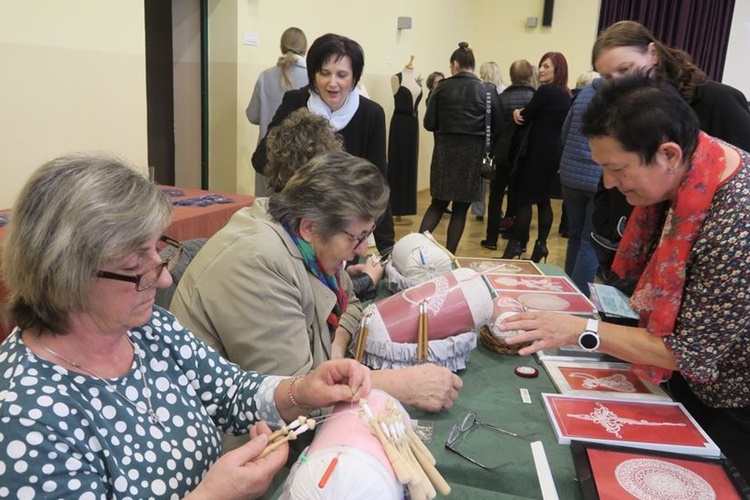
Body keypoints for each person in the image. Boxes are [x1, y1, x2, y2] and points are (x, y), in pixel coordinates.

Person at [0, 153, 372, 497]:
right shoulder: (23, 414)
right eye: (135, 268)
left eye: (156, 250)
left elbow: (231, 392)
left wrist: (302, 390)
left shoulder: (148, 329)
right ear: (65, 276)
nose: (163, 281)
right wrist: (213, 495)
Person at [502, 73, 750, 481]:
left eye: (617, 168)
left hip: (731, 401)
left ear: (668, 154)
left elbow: (685, 352)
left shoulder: (735, 221)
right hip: (692, 381)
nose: (609, 183)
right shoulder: (693, 169)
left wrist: (582, 330)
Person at [171, 152, 462, 412]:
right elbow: (296, 399)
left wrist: (336, 349)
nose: (362, 249)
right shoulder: (259, 262)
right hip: (235, 442)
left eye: (368, 234)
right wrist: (403, 384)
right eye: (357, 237)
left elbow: (351, 302)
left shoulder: (309, 242)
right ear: (310, 227)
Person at [590, 20, 750, 290]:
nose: (618, 83)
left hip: (697, 256)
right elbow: (609, 175)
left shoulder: (716, 101)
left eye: (625, 69)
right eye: (607, 78)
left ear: (652, 54)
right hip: (634, 245)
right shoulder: (617, 115)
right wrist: (608, 225)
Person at [251, 33, 395, 254]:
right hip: (296, 225)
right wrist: (305, 177)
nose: (332, 83)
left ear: (354, 78)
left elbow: (379, 181)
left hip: (344, 232)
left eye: (342, 75)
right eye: (324, 73)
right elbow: (261, 158)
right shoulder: (296, 102)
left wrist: (387, 250)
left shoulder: (371, 113)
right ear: (313, 74)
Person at [264, 108, 384, 301]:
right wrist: (366, 280)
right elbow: (313, 295)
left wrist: (342, 272)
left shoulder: (284, 215)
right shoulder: (282, 249)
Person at [419, 42, 501, 254]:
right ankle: (450, 254)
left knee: (437, 204)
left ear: (455, 64)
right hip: (473, 155)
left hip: (445, 152)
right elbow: (499, 124)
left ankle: (415, 250)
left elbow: (429, 124)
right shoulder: (488, 91)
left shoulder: (442, 88)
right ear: (472, 65)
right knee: (460, 210)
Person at [502, 52, 571, 262]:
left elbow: (525, 116)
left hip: (536, 153)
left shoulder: (545, 91)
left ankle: (516, 245)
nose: (541, 70)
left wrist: (515, 112)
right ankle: (541, 245)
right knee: (543, 200)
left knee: (524, 200)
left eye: (546, 66)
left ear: (557, 70)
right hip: (553, 154)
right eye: (540, 66)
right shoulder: (566, 94)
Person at [481, 59, 536, 251]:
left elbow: (494, 128)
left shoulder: (501, 98)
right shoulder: (535, 98)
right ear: (530, 76)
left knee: (495, 195)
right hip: (525, 155)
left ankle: (491, 239)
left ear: (511, 76)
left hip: (502, 154)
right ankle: (518, 240)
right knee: (521, 198)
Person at [246, 27, 308, 196]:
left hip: (267, 156)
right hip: (299, 160)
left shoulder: (265, 76)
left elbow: (252, 115)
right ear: (306, 49)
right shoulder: (313, 78)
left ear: (281, 47)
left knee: (265, 211)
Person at [558, 74, 604, 295]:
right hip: (598, 179)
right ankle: (580, 300)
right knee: (590, 242)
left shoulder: (583, 95)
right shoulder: (617, 98)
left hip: (570, 176)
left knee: (575, 236)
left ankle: (569, 292)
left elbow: (565, 134)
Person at [388, 56, 423, 220]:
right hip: (400, 124)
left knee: (410, 163)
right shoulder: (396, 78)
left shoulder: (416, 80)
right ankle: (395, 207)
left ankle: (407, 207)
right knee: (398, 163)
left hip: (413, 124)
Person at [471, 60, 506, 222]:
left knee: (481, 176)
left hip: (481, 138)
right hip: (497, 139)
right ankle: (495, 210)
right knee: (494, 178)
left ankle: (479, 210)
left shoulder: (479, 91)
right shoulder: (503, 91)